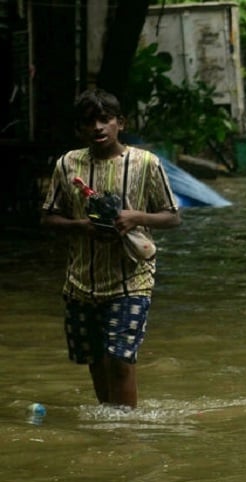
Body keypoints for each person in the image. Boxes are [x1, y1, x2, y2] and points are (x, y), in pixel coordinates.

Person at [40, 88, 182, 410]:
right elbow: (48, 217)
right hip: (81, 281)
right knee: (95, 361)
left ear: (121, 122)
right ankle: (109, 424)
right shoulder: (67, 164)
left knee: (119, 361)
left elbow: (173, 217)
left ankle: (125, 431)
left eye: (105, 120)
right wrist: (81, 226)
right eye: (90, 122)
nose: (98, 128)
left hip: (131, 278)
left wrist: (137, 217)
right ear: (80, 129)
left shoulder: (146, 163)